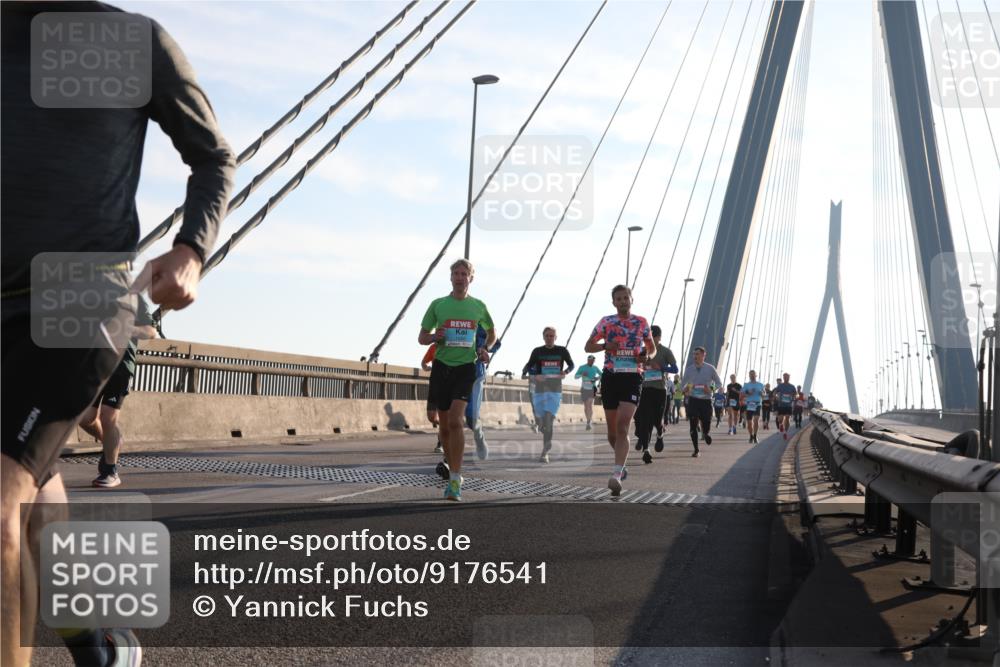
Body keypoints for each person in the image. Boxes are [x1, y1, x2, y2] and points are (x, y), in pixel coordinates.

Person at [2, 3, 236, 665]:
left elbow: (213, 157)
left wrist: (192, 247)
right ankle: (96, 640)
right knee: (32, 482)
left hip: (78, 297)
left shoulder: (136, 41)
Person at [419, 259, 496, 501]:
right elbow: (421, 337)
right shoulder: (438, 305)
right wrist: (434, 336)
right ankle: (453, 472)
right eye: (456, 273)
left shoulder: (478, 306)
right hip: (442, 367)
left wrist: (485, 348)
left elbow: (493, 332)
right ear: (450, 277)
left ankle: (455, 480)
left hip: (465, 368)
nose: (460, 277)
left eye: (465, 273)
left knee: (455, 420)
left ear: (471, 278)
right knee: (443, 427)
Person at [80, 298, 159, 488]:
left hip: (120, 365)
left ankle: (110, 470)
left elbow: (151, 331)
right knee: (84, 417)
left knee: (108, 418)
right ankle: (112, 441)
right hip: (95, 363)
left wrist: (128, 329)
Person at [584, 285, 655, 496]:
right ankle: (621, 465)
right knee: (613, 433)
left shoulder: (641, 322)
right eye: (619, 299)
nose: (623, 301)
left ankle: (616, 474)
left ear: (632, 299)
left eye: (626, 298)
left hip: (633, 376)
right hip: (611, 377)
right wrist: (606, 346)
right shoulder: (607, 322)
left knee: (624, 426)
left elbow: (651, 347)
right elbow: (588, 346)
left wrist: (648, 356)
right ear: (613, 302)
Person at [522, 327, 574, 463]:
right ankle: (548, 439)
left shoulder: (562, 351)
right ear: (543, 337)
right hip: (539, 390)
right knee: (540, 423)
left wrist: (565, 372)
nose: (549, 338)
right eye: (547, 336)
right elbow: (529, 366)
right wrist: (533, 375)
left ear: (556, 337)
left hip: (555, 390)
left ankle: (544, 452)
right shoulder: (537, 351)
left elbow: (572, 365)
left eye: (552, 336)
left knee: (549, 420)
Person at [633, 325, 677, 464]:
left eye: (651, 337)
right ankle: (646, 450)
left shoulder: (665, 351)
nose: (648, 340)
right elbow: (635, 365)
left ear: (658, 337)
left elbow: (675, 369)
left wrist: (662, 368)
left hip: (660, 390)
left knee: (657, 420)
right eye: (647, 337)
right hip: (646, 389)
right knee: (645, 420)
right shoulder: (643, 350)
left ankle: (660, 433)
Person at [680, 347, 723, 457]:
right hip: (693, 399)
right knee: (693, 424)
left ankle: (706, 433)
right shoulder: (689, 369)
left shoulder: (710, 368)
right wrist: (684, 390)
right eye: (694, 354)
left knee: (706, 422)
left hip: (706, 400)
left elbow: (719, 383)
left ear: (704, 355)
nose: (695, 356)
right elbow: (682, 384)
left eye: (697, 354)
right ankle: (696, 449)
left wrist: (711, 390)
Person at [421, 345, 444, 455]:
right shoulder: (434, 347)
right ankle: (447, 425)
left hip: (448, 385)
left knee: (444, 415)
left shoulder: (454, 347)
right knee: (431, 417)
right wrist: (426, 367)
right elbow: (424, 362)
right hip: (434, 384)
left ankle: (441, 443)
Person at [574, 355, 602, 430]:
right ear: (587, 360)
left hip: (592, 388)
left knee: (589, 405)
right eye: (590, 360)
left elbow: (602, 375)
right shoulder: (582, 367)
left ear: (594, 361)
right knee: (586, 406)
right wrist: (581, 374)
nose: (591, 361)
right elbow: (575, 377)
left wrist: (597, 378)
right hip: (584, 388)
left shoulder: (595, 368)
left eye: (593, 360)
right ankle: (588, 420)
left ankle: (589, 422)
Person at [741, 370, 766, 444]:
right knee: (749, 423)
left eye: (753, 374)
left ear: (756, 375)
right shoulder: (746, 385)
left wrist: (762, 393)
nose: (752, 376)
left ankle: (755, 436)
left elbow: (764, 394)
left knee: (756, 420)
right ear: (749, 376)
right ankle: (751, 436)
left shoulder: (760, 384)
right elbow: (742, 394)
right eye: (750, 374)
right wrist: (749, 393)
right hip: (749, 404)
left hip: (757, 404)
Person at [773, 373, 798, 439]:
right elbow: (775, 392)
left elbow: (796, 394)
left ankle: (785, 432)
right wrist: (775, 396)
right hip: (781, 404)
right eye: (785, 377)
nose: (786, 378)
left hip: (788, 405)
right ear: (783, 378)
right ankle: (781, 425)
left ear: (789, 378)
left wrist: (795, 397)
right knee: (780, 419)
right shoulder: (780, 386)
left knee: (787, 418)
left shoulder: (792, 386)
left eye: (787, 377)